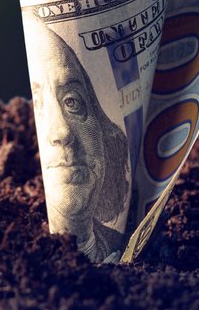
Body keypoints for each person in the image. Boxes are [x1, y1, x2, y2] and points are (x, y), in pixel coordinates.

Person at [32, 21, 131, 261]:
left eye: (72, 102)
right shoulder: (11, 249)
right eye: (37, 104)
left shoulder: (121, 242)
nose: (63, 132)